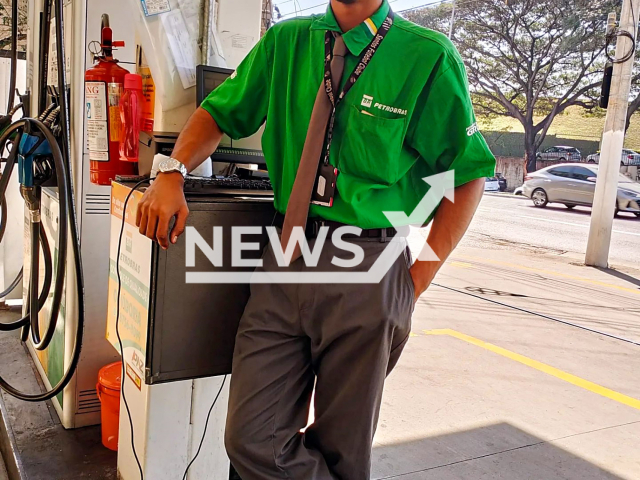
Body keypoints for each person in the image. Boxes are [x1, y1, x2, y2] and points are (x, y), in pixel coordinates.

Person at [135, 0, 495, 478]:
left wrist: (416, 279)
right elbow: (218, 112)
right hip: (286, 256)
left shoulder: (425, 55)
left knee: (343, 448)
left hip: (370, 263)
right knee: (250, 439)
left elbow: (467, 174)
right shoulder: (287, 41)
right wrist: (172, 172)